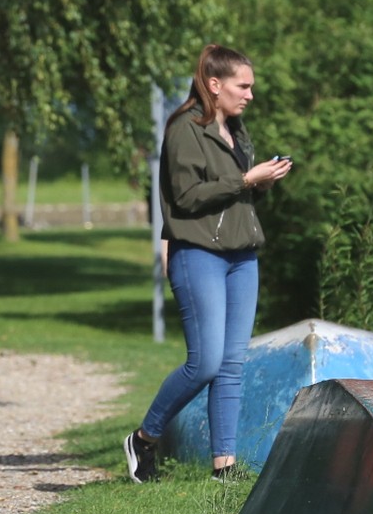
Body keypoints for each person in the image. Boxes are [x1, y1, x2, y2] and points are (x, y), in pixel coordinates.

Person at [124, 44, 292, 484]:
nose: (250, 94)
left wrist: (262, 181)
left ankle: (225, 467)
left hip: (242, 255)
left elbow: (236, 196)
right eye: (244, 85)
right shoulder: (184, 128)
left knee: (233, 364)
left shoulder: (237, 129)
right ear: (214, 85)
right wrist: (243, 179)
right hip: (198, 252)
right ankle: (144, 438)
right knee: (206, 363)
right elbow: (187, 196)